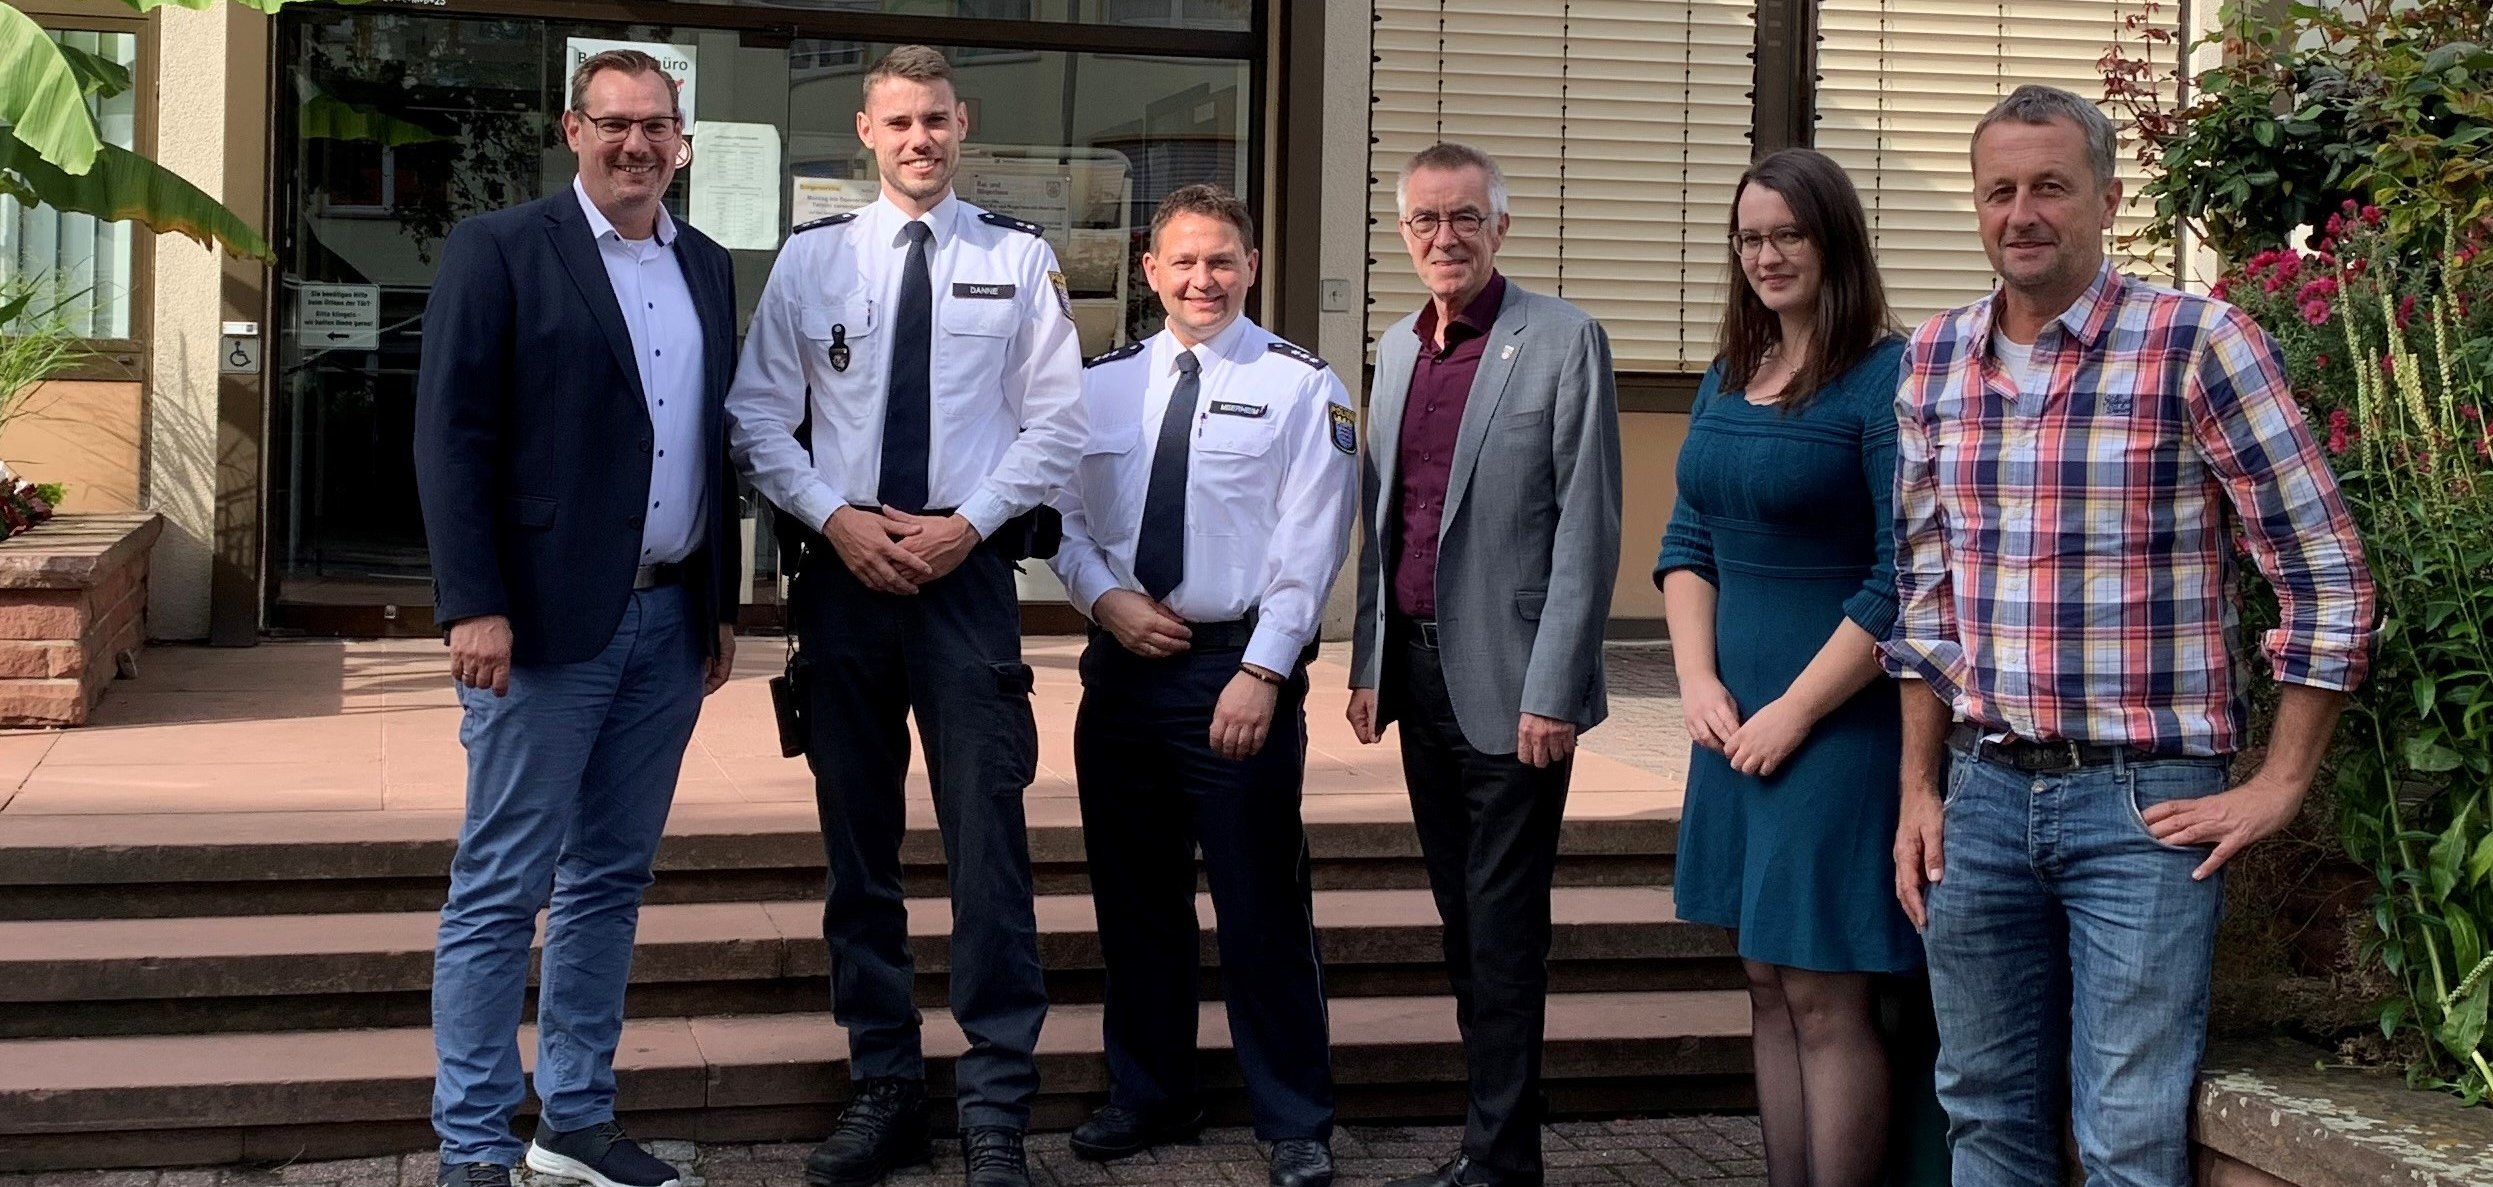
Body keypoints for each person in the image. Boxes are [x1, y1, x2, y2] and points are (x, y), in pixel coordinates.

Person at [1884, 85, 2376, 1187]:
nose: (2023, 212)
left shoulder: (2198, 344)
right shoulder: (1933, 362)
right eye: (2000, 189)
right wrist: (1920, 791)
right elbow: (1925, 604)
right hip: (1982, 792)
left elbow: (2329, 574)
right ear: (1976, 206)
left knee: (2128, 1134)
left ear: (2107, 197)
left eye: (2050, 186)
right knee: (1985, 1115)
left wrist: (2280, 781)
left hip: (2147, 808)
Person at [725, 44, 1083, 1187]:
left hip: (965, 578)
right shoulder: (814, 262)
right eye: (899, 121)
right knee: (858, 846)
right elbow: (756, 421)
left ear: (962, 124)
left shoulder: (1019, 262)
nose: (920, 137)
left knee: (989, 841)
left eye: (937, 118)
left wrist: (965, 525)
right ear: (866, 136)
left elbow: (1057, 424)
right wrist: (836, 521)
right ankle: (883, 1085)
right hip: (845, 577)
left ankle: (994, 1102)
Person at [412, 48, 740, 1187]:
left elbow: (708, 439)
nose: (637, 144)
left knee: (611, 878)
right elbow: (452, 438)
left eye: (656, 125)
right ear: (573, 129)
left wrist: (716, 605)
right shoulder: (501, 249)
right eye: (615, 124)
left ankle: (577, 1119)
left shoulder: (705, 264)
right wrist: (476, 602)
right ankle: (471, 1143)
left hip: (668, 622)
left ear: (680, 136)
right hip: (541, 627)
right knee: (503, 881)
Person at [1050, 183, 1356, 1187]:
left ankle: (1294, 1116)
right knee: (1135, 900)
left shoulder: (1300, 386)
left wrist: (1266, 668)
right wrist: (1103, 601)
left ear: (1252, 266)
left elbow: (1312, 544)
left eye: (1222, 260)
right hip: (1125, 671)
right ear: (1150, 270)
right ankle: (1150, 1093)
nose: (1202, 279)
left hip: (1238, 670)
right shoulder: (1098, 386)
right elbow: (1064, 520)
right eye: (1183, 261)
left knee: (1260, 901)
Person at [1655, 147, 1940, 1187]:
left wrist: (1793, 713)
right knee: (1767, 981)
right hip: (1729, 724)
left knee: (1829, 991)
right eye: (1750, 236)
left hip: (1838, 726)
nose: (1766, 254)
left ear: (1834, 241)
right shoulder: (1728, 371)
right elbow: (1688, 541)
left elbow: (1900, 576)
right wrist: (1696, 680)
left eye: (1788, 233)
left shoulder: (1889, 376)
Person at [1346, 142, 1623, 1187]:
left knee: (1503, 926)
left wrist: (1556, 689)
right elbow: (1389, 523)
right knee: (1464, 921)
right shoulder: (1394, 350)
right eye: (1425, 220)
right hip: (1418, 680)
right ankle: (1495, 1130)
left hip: (1515, 690)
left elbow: (1586, 534)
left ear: (1499, 227)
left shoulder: (1561, 340)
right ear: (1403, 232)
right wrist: (1368, 662)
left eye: (1465, 218)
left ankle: (1502, 1157)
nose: (1444, 238)